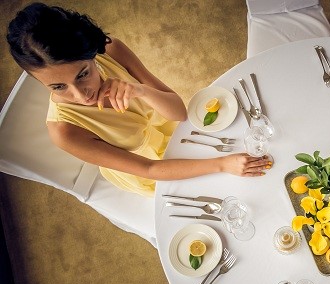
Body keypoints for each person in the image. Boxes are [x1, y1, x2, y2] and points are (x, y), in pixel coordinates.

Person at [6, 2, 271, 197]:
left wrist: (140, 90)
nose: (81, 95)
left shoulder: (112, 50)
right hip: (153, 168)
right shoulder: (64, 133)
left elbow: (179, 112)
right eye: (58, 86)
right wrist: (222, 164)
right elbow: (149, 169)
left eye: (83, 74)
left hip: (178, 129)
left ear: (90, 53)